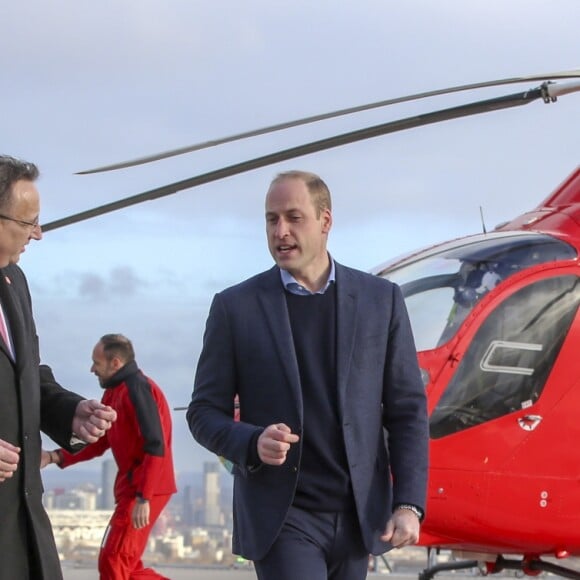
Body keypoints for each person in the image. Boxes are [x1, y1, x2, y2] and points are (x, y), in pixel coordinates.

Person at [187, 170, 430, 580]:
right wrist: (251, 441)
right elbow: (203, 413)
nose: (280, 231)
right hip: (283, 518)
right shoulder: (235, 307)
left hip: (358, 518)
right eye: (271, 219)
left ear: (325, 221)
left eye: (293, 217)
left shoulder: (380, 300)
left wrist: (409, 504)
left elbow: (407, 409)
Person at [0, 154, 117, 580]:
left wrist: (71, 412)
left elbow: (27, 375)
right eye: (28, 222)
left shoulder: (15, 284)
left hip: (22, 529)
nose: (39, 234)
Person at [44, 333, 177, 580]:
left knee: (114, 560)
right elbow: (101, 441)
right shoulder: (115, 391)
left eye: (97, 362)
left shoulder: (138, 389)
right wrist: (55, 456)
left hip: (145, 490)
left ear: (115, 363)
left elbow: (155, 444)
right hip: (134, 491)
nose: (92, 369)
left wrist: (143, 498)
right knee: (127, 565)